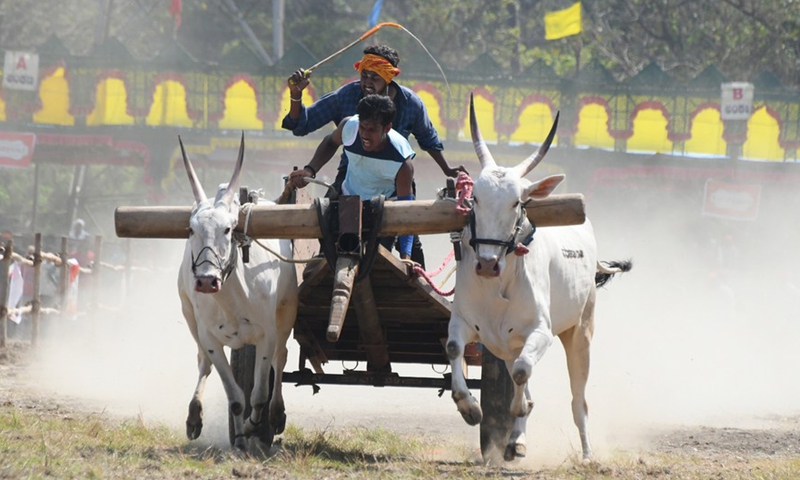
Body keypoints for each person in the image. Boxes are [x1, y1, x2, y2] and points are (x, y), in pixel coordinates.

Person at [283, 45, 464, 267]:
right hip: (352, 174)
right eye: (364, 75)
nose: (367, 82)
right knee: (328, 222)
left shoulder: (411, 109)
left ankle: (418, 276)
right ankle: (324, 264)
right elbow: (304, 126)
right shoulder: (348, 115)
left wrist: (447, 169)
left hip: (394, 182)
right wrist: (295, 95)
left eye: (375, 78)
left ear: (387, 127)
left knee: (410, 237)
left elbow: (428, 139)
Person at [288, 94, 416, 261]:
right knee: (326, 258)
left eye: (372, 130)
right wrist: (310, 170)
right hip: (347, 200)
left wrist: (406, 258)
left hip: (383, 211)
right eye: (363, 127)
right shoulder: (349, 127)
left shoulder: (402, 161)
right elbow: (330, 142)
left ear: (387, 128)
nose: (365, 135)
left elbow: (407, 210)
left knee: (379, 263)